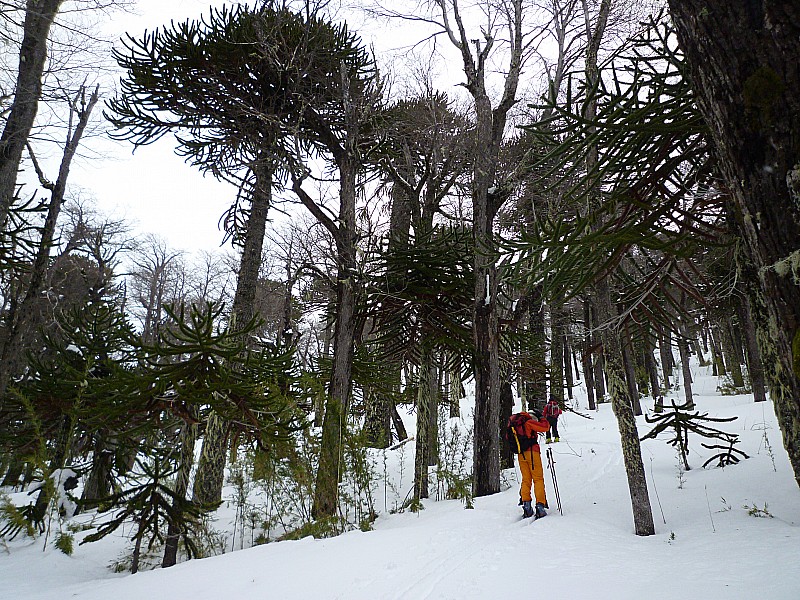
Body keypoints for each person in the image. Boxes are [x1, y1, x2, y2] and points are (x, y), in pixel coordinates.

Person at [511, 410, 550, 519]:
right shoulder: (528, 422)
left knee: (526, 479)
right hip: (532, 452)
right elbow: (545, 427)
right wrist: (541, 417)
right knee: (538, 479)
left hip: (521, 453)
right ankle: (540, 506)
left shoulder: (516, 423)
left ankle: (526, 505)